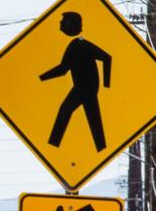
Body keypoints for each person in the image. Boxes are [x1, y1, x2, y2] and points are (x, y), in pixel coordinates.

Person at [40, 11, 112, 152]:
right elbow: (64, 69)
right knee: (94, 120)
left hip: (84, 88)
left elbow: (63, 70)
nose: (60, 24)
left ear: (72, 24)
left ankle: (53, 144)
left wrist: (107, 84)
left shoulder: (79, 44)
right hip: (87, 88)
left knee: (65, 111)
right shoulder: (77, 43)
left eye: (63, 21)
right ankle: (101, 147)